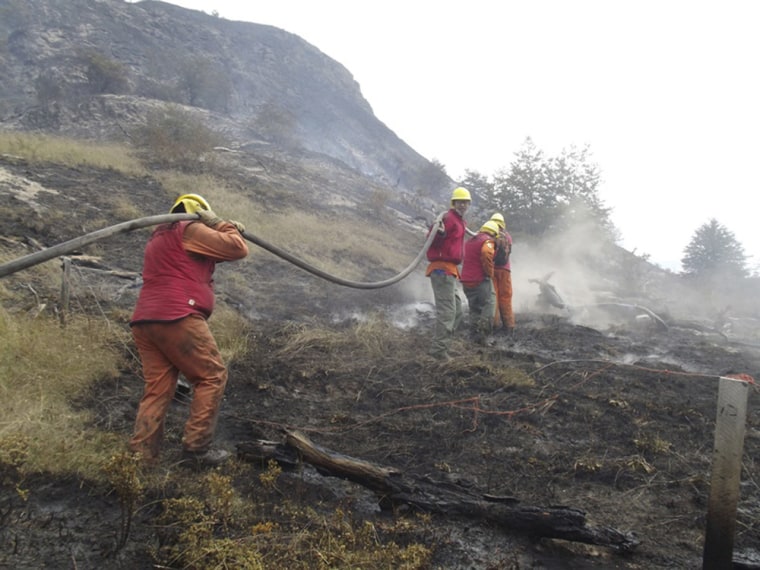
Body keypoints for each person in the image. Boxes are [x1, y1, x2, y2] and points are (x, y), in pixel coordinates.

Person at [129, 193, 249, 467]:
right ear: (200, 213)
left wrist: (226, 228)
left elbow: (206, 257)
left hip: (146, 321)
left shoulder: (160, 237)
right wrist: (221, 225)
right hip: (178, 316)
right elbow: (237, 248)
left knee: (158, 389)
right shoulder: (190, 229)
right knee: (211, 376)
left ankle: (140, 458)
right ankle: (197, 451)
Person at [425, 187, 471, 358]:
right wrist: (440, 234)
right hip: (441, 270)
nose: (463, 205)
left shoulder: (460, 221)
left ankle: (443, 344)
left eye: (466, 202)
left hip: (450, 271)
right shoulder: (448, 218)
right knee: (447, 312)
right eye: (460, 202)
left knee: (457, 311)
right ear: (454, 203)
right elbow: (431, 238)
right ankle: (438, 351)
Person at [460, 220, 499, 345]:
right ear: (493, 233)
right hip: (480, 280)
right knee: (489, 303)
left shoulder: (470, 241)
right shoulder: (488, 241)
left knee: (474, 308)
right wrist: (489, 272)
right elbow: (486, 253)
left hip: (466, 281)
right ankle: (484, 336)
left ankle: (473, 335)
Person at [490, 213, 515, 335]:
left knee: (493, 297)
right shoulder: (508, 236)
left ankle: (494, 324)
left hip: (492, 270)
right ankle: (509, 325)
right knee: (505, 297)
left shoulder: (490, 234)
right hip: (505, 270)